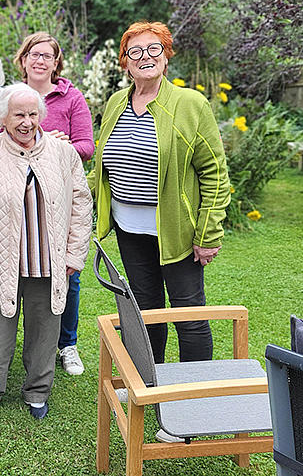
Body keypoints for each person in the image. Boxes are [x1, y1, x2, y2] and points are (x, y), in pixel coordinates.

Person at [89, 21, 230, 398]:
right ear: (125, 63)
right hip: (128, 228)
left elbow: (215, 173)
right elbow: (101, 164)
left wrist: (208, 234)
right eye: (135, 52)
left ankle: (193, 397)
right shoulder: (116, 103)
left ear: (166, 56)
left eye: (154, 49)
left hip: (177, 231)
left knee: (188, 314)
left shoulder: (189, 105)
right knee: (146, 310)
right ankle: (152, 386)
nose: (145, 57)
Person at [0, 83, 92, 425]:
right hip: (2, 265)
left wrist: (73, 256)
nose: (27, 121)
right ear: (2, 117)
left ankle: (37, 391)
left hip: (50, 264)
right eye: (19, 114)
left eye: (33, 114)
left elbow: (81, 203)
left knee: (45, 335)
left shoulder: (63, 153)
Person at [12, 32, 94, 377]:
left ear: (56, 62)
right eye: (34, 54)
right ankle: (25, 342)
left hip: (57, 200)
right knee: (22, 272)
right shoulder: (14, 96)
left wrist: (58, 148)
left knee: (66, 274)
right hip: (17, 199)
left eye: (48, 55)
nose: (41, 60)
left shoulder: (71, 98)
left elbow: (88, 146)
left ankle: (67, 344)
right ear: (24, 60)